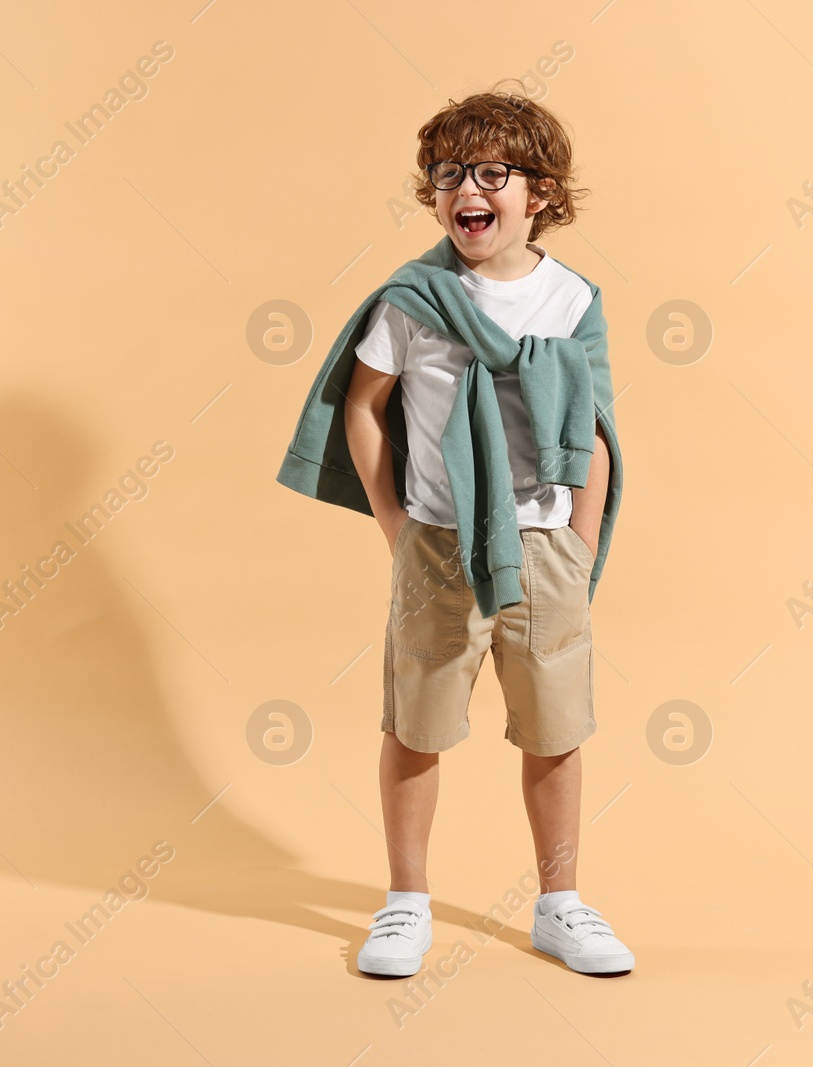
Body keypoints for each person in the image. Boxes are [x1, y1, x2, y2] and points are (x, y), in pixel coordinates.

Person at [278, 84, 632, 977]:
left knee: (555, 729)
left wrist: (580, 539)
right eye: (446, 175)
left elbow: (594, 424)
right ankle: (405, 904)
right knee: (417, 724)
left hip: (547, 544)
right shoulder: (415, 298)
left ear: (540, 192)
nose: (464, 190)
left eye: (490, 173)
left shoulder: (571, 301)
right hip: (438, 543)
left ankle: (560, 903)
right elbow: (363, 406)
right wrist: (397, 524)